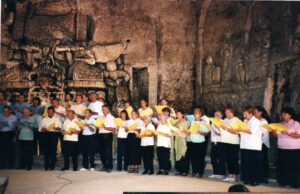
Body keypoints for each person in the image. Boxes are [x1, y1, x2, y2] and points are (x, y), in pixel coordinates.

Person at [273, 107, 300, 188]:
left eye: (285, 114)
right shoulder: (281, 124)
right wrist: (273, 132)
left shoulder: (296, 124)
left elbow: (298, 135)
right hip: (282, 148)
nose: (283, 115)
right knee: (283, 166)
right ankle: (283, 181)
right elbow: (277, 135)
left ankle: (294, 183)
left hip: (293, 149)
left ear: (290, 115)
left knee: (293, 166)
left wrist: (287, 133)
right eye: (282, 114)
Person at [239, 106, 263, 186]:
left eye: (245, 114)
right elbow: (242, 132)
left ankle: (254, 180)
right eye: (243, 114)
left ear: (251, 113)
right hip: (245, 145)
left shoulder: (256, 122)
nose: (244, 116)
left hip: (253, 146)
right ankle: (246, 179)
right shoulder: (245, 121)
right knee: (245, 163)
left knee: (253, 164)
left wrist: (241, 129)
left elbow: (251, 131)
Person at [219, 105, 240, 182]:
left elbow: (236, 132)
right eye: (225, 112)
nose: (226, 113)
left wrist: (227, 129)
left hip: (233, 142)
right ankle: (230, 174)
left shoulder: (236, 120)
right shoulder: (224, 120)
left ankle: (234, 175)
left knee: (233, 159)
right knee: (227, 159)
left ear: (232, 112)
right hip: (225, 141)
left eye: (227, 112)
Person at [39, 106, 62, 170]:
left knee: (53, 150)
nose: (50, 113)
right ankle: (46, 165)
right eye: (49, 112)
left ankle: (52, 166)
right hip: (46, 135)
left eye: (51, 112)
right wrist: (43, 129)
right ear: (47, 112)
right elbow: (40, 128)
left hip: (54, 134)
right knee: (46, 150)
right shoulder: (44, 119)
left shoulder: (57, 119)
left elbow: (60, 127)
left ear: (54, 112)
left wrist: (56, 128)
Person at [189, 108, 209, 178]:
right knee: (193, 158)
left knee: (200, 158)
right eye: (195, 113)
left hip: (200, 142)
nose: (195, 114)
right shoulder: (192, 122)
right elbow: (191, 130)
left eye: (197, 113)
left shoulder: (203, 122)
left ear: (200, 114)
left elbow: (206, 133)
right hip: (193, 142)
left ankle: (200, 173)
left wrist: (200, 132)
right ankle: (194, 172)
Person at [254, 106, 270, 183]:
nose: (254, 113)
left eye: (255, 112)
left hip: (262, 144)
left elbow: (262, 134)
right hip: (257, 144)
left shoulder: (263, 121)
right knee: (258, 161)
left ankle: (264, 177)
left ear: (260, 112)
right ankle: (259, 176)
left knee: (263, 161)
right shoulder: (256, 120)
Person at [97, 105, 116, 172]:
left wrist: (105, 127)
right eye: (102, 109)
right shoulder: (101, 117)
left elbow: (114, 129)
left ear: (108, 110)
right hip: (101, 135)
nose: (103, 111)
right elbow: (99, 126)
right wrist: (97, 125)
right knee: (102, 151)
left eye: (104, 109)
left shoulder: (111, 117)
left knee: (108, 151)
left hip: (108, 135)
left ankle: (109, 166)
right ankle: (104, 165)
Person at [171, 110, 190, 176]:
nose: (177, 115)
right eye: (177, 114)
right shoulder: (176, 122)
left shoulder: (185, 122)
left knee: (183, 154)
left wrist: (179, 131)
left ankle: (185, 170)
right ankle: (179, 170)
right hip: (176, 140)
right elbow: (173, 129)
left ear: (182, 115)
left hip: (182, 140)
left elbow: (186, 131)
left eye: (179, 114)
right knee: (177, 154)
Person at [209, 111, 226, 179]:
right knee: (213, 157)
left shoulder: (223, 122)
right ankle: (215, 172)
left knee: (221, 158)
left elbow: (223, 132)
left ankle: (221, 173)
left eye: (218, 115)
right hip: (214, 142)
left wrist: (219, 129)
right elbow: (212, 132)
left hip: (220, 142)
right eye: (215, 115)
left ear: (221, 116)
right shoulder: (213, 122)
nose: (217, 116)